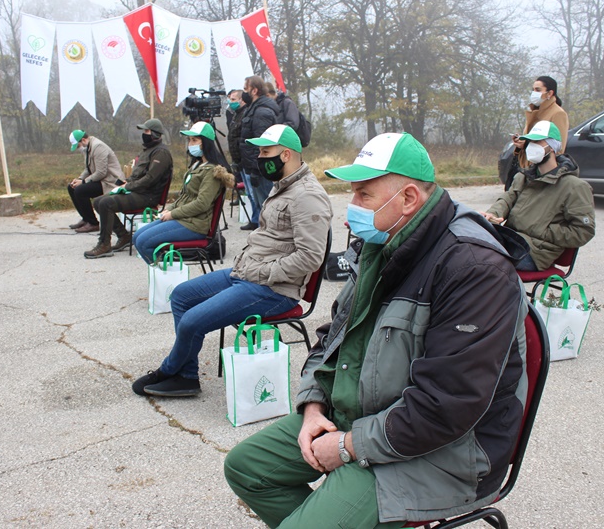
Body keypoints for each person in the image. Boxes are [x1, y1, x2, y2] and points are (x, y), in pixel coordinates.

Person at [224, 132, 529, 528]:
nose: (350, 207)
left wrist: (348, 446)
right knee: (246, 468)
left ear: (408, 198)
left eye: (363, 194)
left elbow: (448, 406)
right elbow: (332, 337)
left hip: (444, 449)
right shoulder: (383, 242)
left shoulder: (473, 269)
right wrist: (313, 407)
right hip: (369, 414)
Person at [132, 125, 332, 397]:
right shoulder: (284, 186)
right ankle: (186, 376)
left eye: (265, 152)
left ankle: (169, 371)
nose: (259, 158)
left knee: (191, 322)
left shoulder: (307, 195)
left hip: (274, 289)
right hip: (247, 274)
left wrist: (264, 272)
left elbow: (310, 257)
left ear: (286, 155)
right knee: (180, 296)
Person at [483, 120, 595, 272]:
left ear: (552, 147)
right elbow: (507, 199)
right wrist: (492, 214)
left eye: (537, 142)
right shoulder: (523, 177)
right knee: (466, 248)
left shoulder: (574, 187)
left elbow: (583, 231)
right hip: (511, 240)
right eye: (530, 142)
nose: (531, 146)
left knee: (481, 262)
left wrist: (543, 230)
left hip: (535, 253)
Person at [131, 121, 233, 264]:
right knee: (137, 237)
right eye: (189, 140)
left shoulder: (212, 171)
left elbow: (201, 204)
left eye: (195, 140)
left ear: (206, 143)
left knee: (144, 241)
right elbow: (185, 196)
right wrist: (169, 209)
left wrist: (173, 214)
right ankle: (162, 269)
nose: (190, 144)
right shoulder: (197, 165)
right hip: (184, 218)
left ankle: (165, 272)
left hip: (194, 225)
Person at [84, 119, 173, 259]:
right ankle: (124, 236)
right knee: (97, 201)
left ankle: (104, 244)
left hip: (148, 196)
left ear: (155, 134)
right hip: (138, 191)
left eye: (147, 131)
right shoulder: (147, 150)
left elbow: (150, 179)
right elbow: (138, 174)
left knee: (106, 203)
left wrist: (128, 186)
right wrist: (125, 183)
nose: (144, 134)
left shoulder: (161, 153)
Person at [239, 75, 279, 230]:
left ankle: (272, 234)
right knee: (261, 206)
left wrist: (256, 169)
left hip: (261, 169)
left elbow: (262, 144)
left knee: (267, 206)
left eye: (246, 89)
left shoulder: (262, 112)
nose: (244, 92)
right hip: (253, 166)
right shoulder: (253, 108)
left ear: (254, 90)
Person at [509, 75, 569, 180]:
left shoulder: (558, 113)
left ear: (549, 93)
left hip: (543, 171)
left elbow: (559, 147)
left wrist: (527, 144)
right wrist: (521, 142)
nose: (534, 93)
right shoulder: (534, 112)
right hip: (527, 168)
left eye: (538, 90)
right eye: (533, 90)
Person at [67, 130, 125, 234]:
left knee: (80, 190)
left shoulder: (98, 147)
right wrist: (79, 179)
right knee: (72, 187)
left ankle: (93, 223)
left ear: (83, 140)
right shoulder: (88, 148)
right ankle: (86, 218)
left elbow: (101, 172)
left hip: (110, 182)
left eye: (78, 145)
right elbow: (88, 169)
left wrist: (83, 182)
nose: (78, 148)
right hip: (101, 180)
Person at [225, 89, 246, 184]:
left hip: (244, 160)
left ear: (241, 100)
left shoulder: (245, 113)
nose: (231, 102)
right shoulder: (236, 114)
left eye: (233, 99)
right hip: (238, 160)